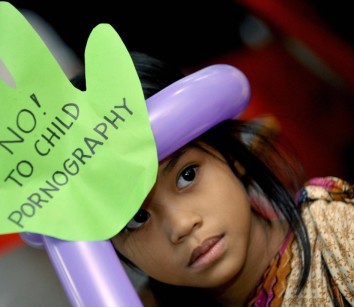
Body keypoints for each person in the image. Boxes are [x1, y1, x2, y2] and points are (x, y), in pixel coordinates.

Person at [71, 52, 353, 306]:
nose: (181, 225)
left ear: (231, 155)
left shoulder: (332, 234)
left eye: (187, 175)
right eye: (137, 218)